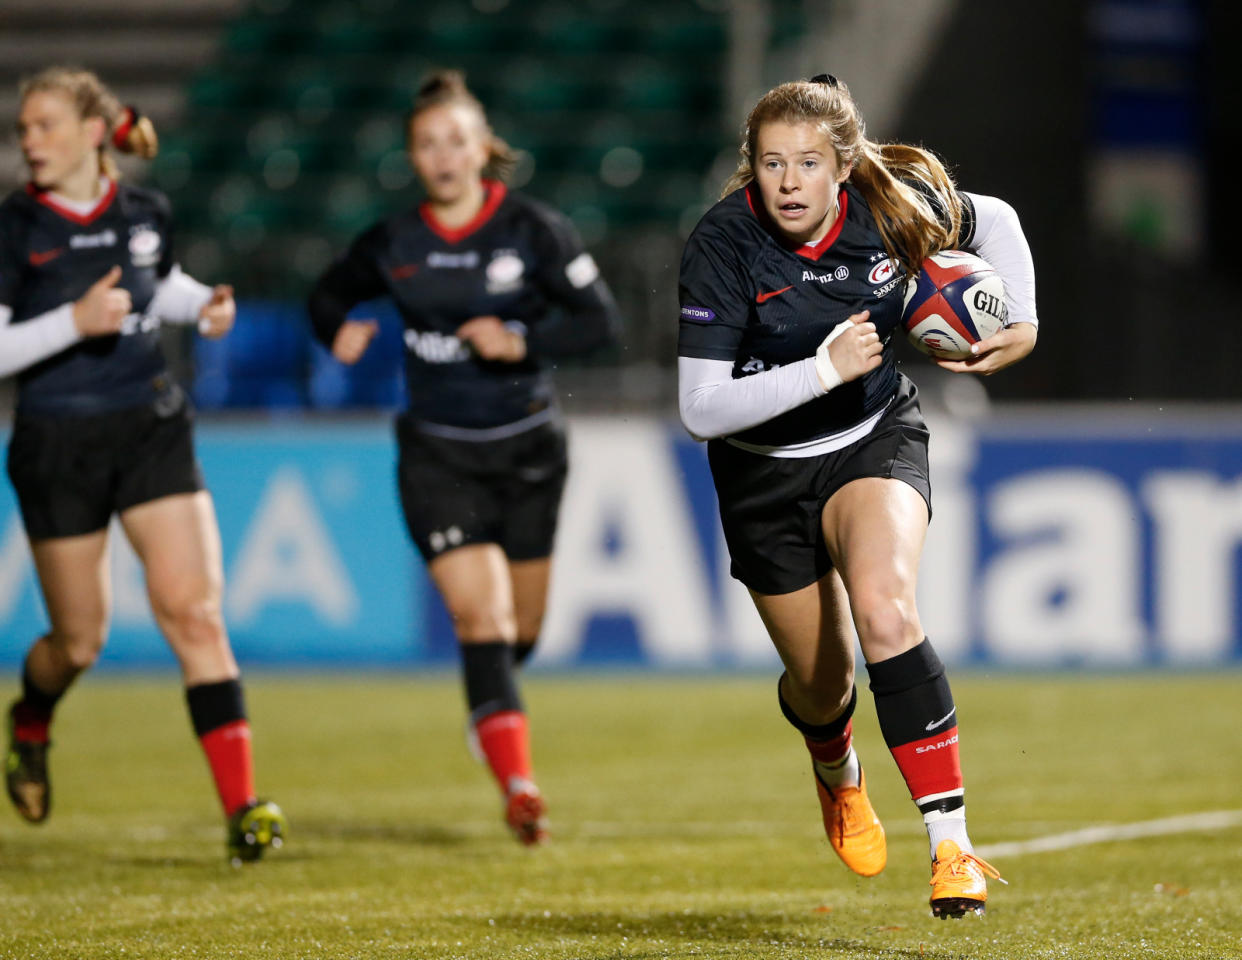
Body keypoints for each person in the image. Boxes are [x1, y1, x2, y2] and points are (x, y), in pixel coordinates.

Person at [677, 75, 1037, 916]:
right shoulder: (724, 245)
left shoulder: (890, 204)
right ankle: (837, 768)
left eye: (808, 162)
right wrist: (822, 367)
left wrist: (1023, 322)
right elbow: (700, 409)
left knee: (886, 611)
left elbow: (1001, 221)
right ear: (752, 169)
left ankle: (953, 849)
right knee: (822, 684)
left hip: (872, 438)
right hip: (762, 471)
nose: (790, 181)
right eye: (772, 163)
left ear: (842, 166)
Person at [308, 71, 620, 845]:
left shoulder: (533, 231)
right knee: (482, 617)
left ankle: (491, 708)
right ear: (413, 157)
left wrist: (521, 341)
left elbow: (599, 324)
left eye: (456, 140)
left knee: (521, 628)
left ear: (484, 148)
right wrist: (335, 330)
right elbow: (328, 295)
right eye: (427, 143)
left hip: (529, 452)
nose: (443, 155)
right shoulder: (394, 242)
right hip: (437, 455)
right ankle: (520, 786)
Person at [0, 67, 285, 864]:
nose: (30, 140)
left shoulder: (144, 210)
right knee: (77, 642)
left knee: (194, 613)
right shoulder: (14, 226)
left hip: (149, 425)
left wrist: (204, 306)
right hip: (58, 441)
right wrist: (72, 321)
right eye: (24, 128)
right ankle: (30, 721)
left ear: (95, 132)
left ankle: (243, 810)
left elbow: (155, 287)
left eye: (44, 125)